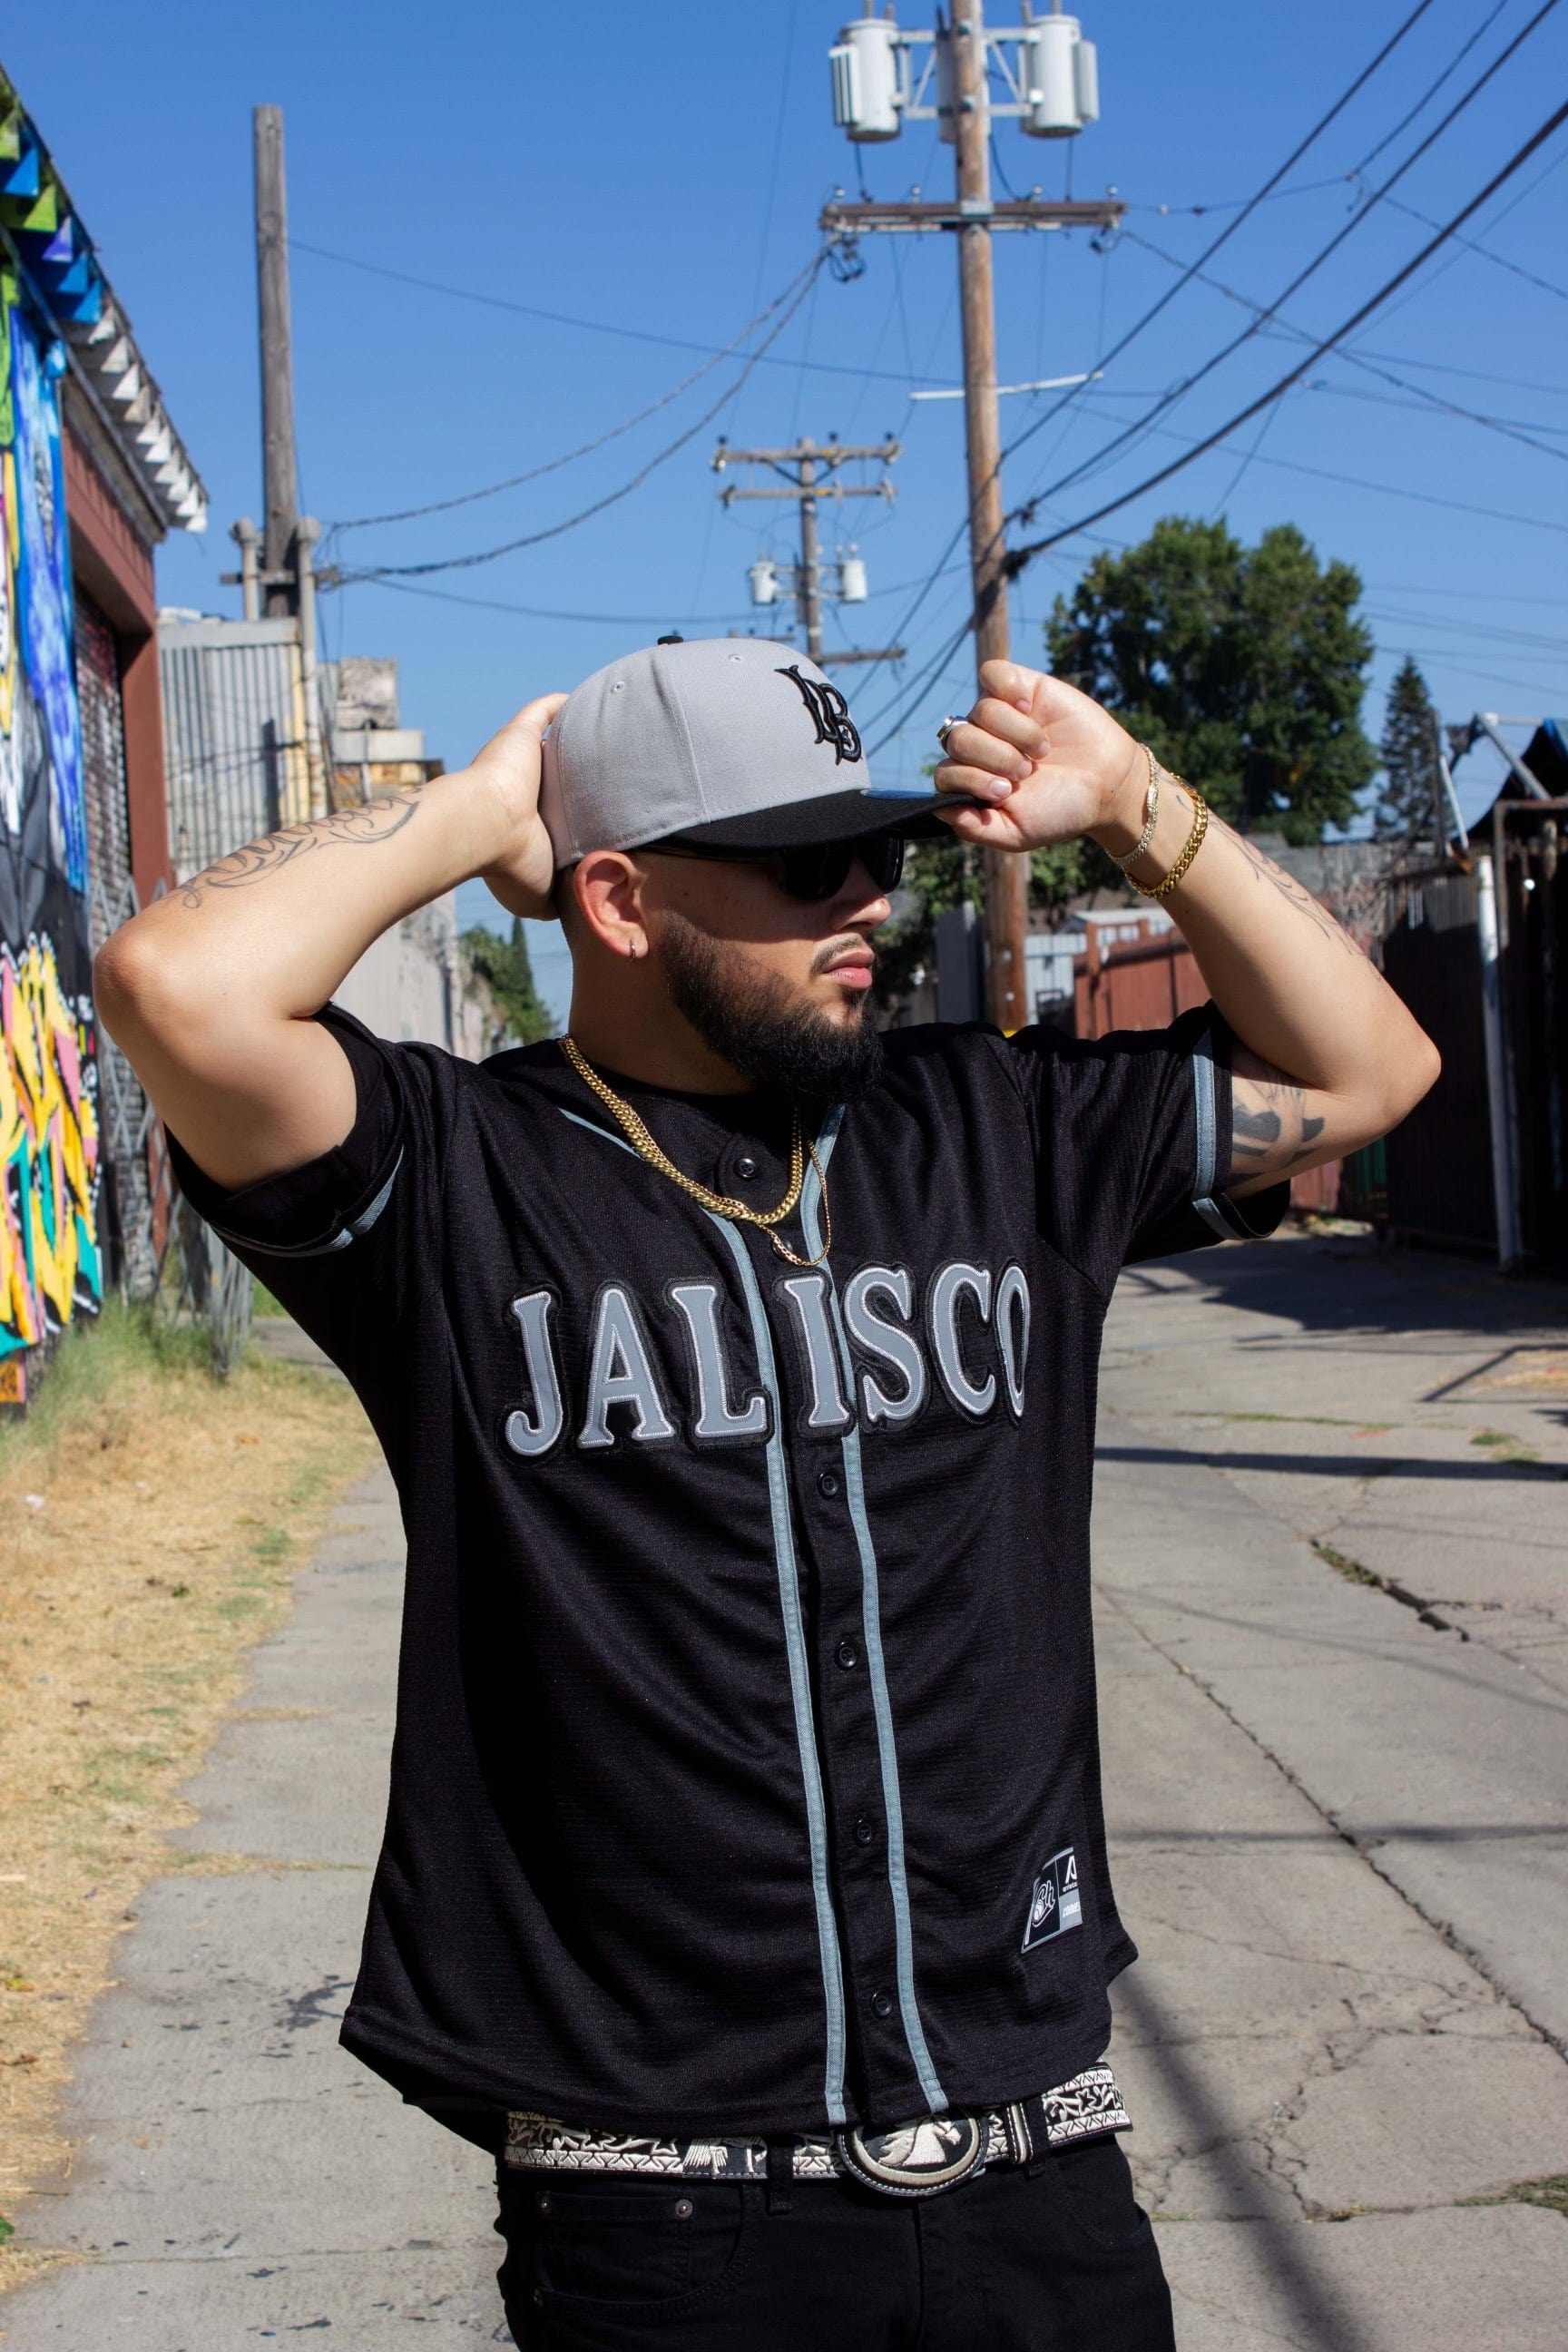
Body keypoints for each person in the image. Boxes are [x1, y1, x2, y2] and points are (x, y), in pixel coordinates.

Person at [94, 639, 1437, 2350]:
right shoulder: (456, 1181)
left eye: (876, 851)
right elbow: (174, 984)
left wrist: (1134, 801)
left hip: (1038, 2172)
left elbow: (1373, 1072)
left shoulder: (997, 1125)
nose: (867, 899)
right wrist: (477, 810)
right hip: (666, 2216)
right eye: (804, 868)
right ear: (619, 900)